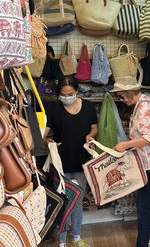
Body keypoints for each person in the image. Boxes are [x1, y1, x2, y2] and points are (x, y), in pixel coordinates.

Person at [112, 77, 150, 247]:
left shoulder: (144, 108)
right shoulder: (142, 102)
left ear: (130, 93)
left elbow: (149, 138)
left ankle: (142, 244)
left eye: (122, 96)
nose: (122, 100)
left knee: (143, 204)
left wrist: (126, 145)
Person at [44, 76, 98, 247]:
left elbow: (94, 127)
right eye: (63, 94)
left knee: (77, 203)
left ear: (77, 91)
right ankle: (61, 240)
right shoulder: (54, 108)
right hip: (60, 163)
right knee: (61, 202)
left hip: (82, 161)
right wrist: (47, 142)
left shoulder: (88, 106)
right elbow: (44, 133)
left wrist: (91, 136)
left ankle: (76, 237)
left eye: (70, 94)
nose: (66, 97)